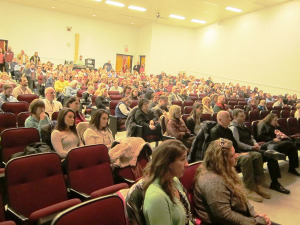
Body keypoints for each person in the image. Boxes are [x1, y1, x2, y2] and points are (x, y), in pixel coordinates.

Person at [193, 138, 276, 225]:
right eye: (232, 156)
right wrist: (256, 222)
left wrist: (254, 214)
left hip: (241, 217)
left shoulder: (225, 170)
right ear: (222, 160)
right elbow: (225, 216)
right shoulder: (212, 181)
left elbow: (242, 198)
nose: (237, 156)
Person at [210, 111, 268, 202]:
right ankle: (249, 189)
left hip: (234, 153)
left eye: (230, 117)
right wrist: (236, 154)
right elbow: (221, 150)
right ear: (220, 119)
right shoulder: (215, 131)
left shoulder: (228, 130)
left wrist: (239, 153)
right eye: (227, 117)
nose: (230, 119)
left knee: (257, 155)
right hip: (225, 157)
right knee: (246, 158)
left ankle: (258, 184)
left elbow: (234, 145)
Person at [230, 109, 290, 194]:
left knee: (271, 158)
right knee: (269, 155)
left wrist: (256, 144)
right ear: (235, 117)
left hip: (253, 147)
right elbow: (238, 143)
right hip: (244, 150)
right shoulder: (233, 128)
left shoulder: (244, 125)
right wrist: (251, 147)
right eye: (241, 116)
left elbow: (251, 137)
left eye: (244, 116)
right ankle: (269, 154)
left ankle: (275, 182)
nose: (244, 117)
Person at [143, 139, 195, 225]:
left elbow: (186, 219)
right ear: (168, 163)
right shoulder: (156, 198)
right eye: (182, 159)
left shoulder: (174, 180)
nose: (187, 164)